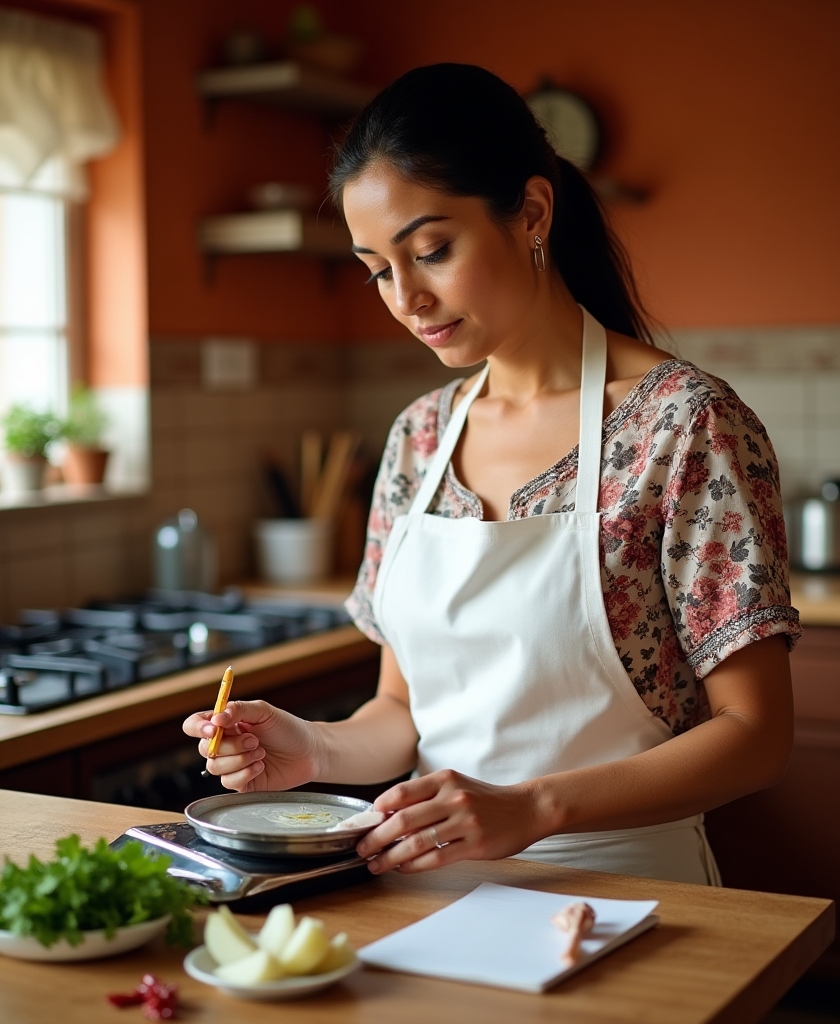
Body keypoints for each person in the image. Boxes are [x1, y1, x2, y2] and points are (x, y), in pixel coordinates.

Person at [183, 63, 802, 885]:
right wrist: (318, 745)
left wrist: (535, 807)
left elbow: (757, 733)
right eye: (377, 268)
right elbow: (403, 711)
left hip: (629, 893)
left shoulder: (682, 425)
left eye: (431, 250)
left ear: (533, 213)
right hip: (420, 885)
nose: (406, 298)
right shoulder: (418, 438)